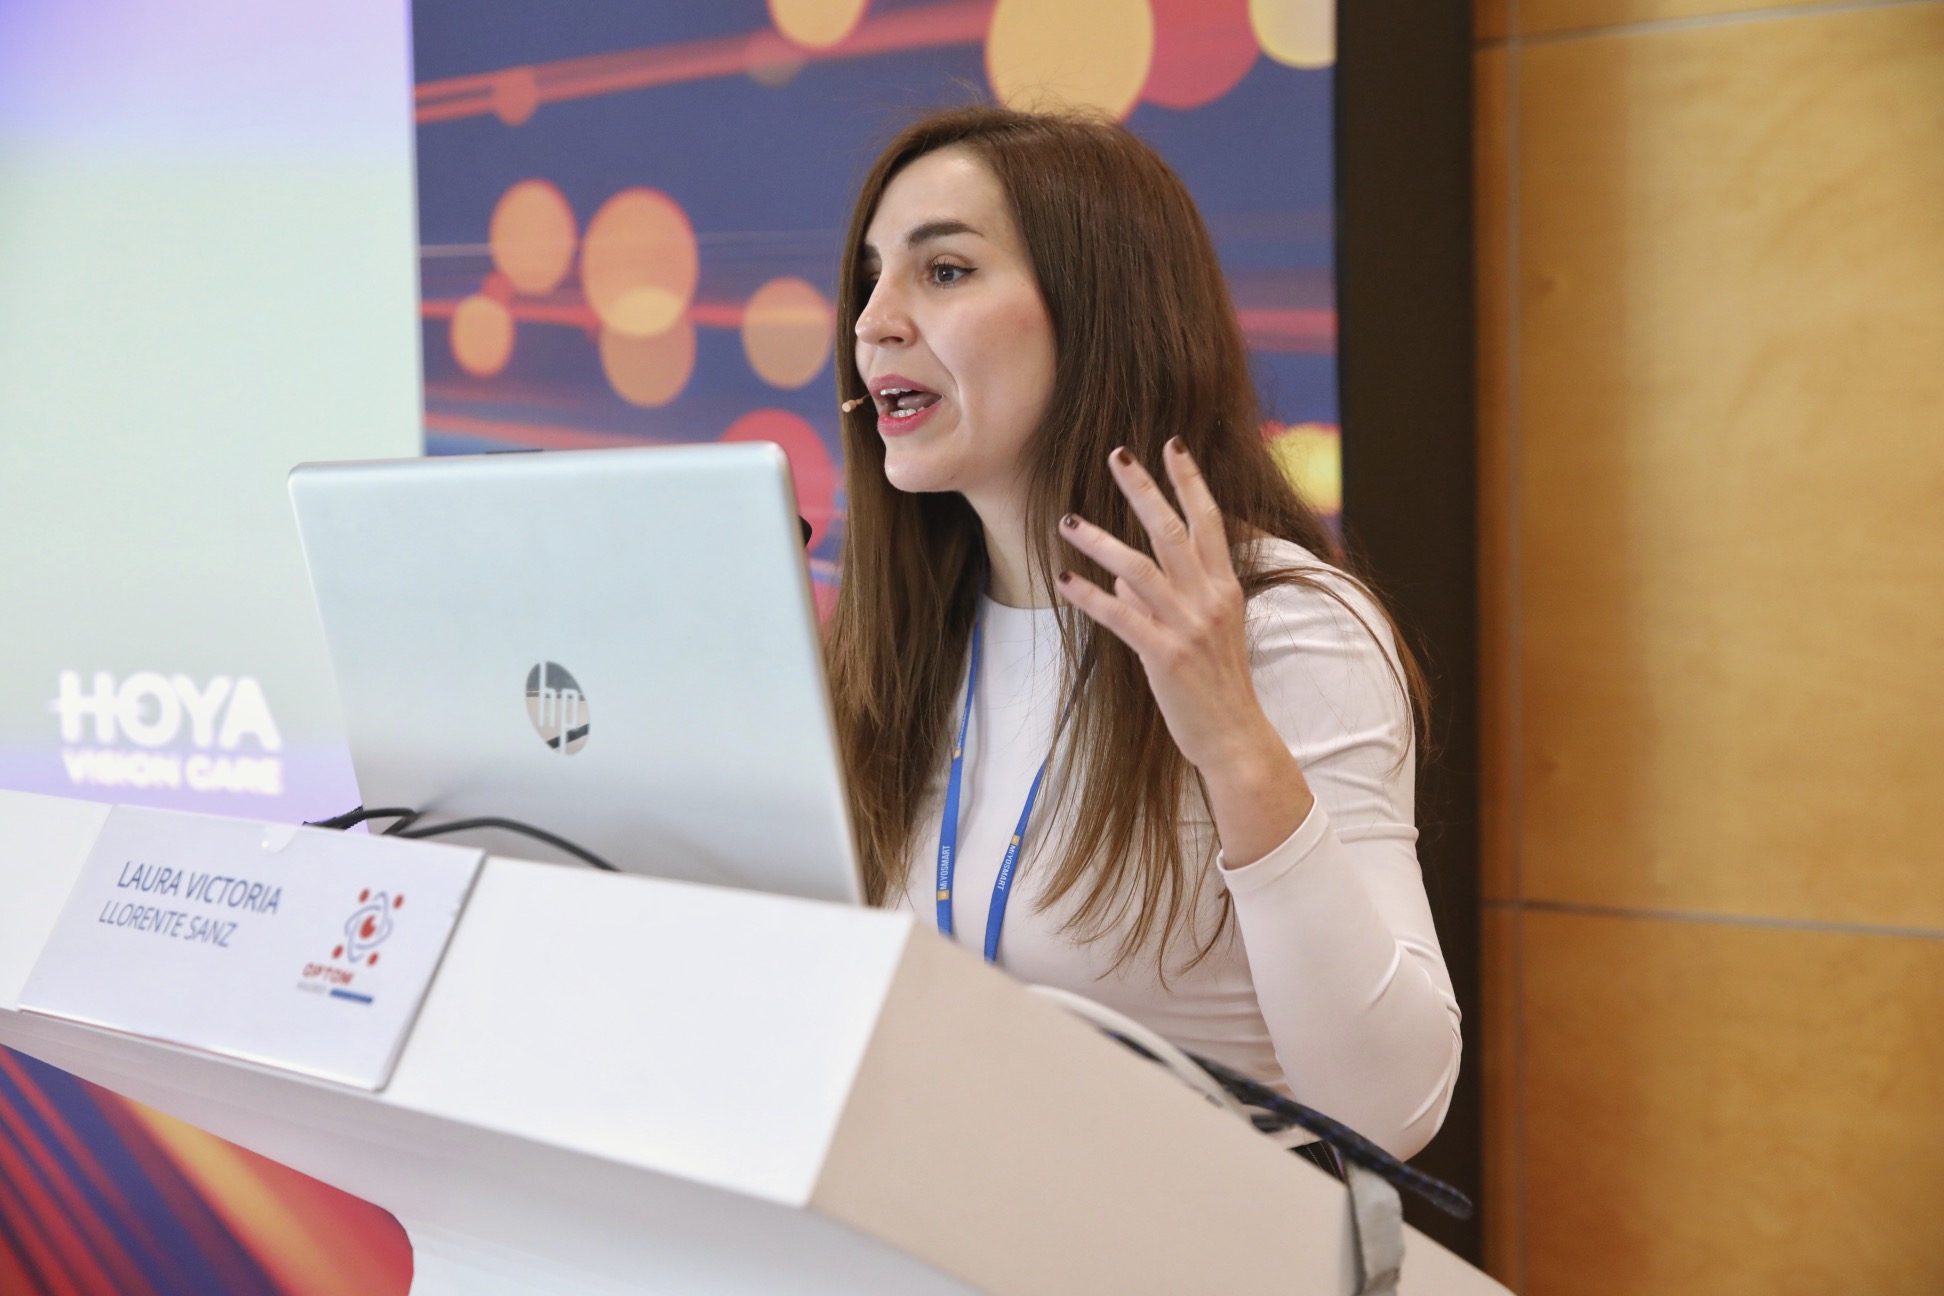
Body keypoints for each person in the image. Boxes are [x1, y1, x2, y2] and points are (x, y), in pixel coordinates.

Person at [824, 106, 1459, 1161]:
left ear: (1098, 313)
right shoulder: (895, 642)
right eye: (870, 278)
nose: (874, 322)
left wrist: (1232, 741)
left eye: (944, 272)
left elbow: (1393, 1107)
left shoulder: (1284, 624)